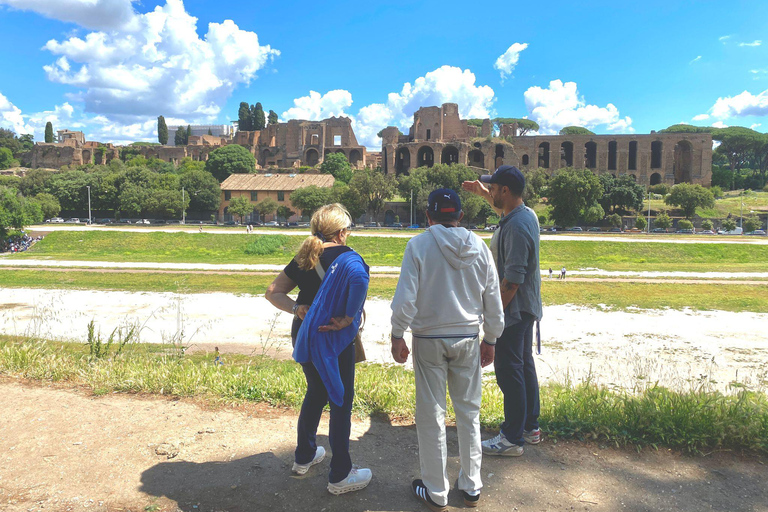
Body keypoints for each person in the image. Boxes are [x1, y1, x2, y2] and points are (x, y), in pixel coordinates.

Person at [390, 189, 504, 511]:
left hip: (428, 338)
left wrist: (397, 333)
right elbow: (493, 302)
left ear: (428, 216)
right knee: (469, 412)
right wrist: (491, 338)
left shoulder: (419, 245)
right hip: (468, 336)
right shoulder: (480, 247)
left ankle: (436, 490)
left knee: (432, 415)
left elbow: (405, 300)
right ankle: (471, 486)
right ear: (460, 217)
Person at [265, 204, 372, 495]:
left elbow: (272, 292)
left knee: (316, 391)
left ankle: (304, 456)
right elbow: (360, 283)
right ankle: (340, 474)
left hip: (303, 333)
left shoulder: (304, 256)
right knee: (341, 400)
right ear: (341, 232)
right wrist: (349, 318)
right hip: (333, 337)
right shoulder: (349, 257)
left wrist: (298, 308)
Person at [463, 165, 543, 457]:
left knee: (509, 373)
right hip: (526, 309)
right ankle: (529, 428)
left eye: (494, 188)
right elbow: (502, 210)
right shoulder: (524, 214)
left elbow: (512, 281)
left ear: (506, 191)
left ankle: (511, 439)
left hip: (515, 311)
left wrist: (493, 320)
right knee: (523, 366)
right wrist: (483, 194)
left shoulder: (517, 227)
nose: (491, 192)